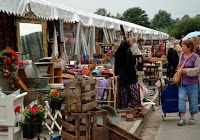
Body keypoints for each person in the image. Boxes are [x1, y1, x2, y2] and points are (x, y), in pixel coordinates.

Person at [177, 39, 200, 126]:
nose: (182, 48)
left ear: (189, 47)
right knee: (181, 99)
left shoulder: (196, 57)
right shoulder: (182, 55)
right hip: (182, 82)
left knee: (193, 100)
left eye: (184, 46)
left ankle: (192, 117)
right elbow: (179, 65)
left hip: (192, 82)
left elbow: (198, 69)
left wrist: (187, 71)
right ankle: (182, 118)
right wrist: (179, 69)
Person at [115, 39, 141, 109]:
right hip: (130, 76)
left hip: (122, 76)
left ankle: (124, 106)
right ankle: (134, 106)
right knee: (132, 92)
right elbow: (130, 64)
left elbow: (116, 65)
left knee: (124, 93)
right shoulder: (128, 52)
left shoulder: (118, 52)